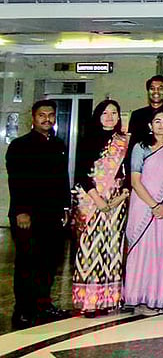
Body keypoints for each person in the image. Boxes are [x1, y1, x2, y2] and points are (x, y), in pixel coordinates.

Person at [6, 100, 72, 327]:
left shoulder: (58, 144)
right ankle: (23, 310)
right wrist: (21, 211)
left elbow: (63, 179)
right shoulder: (20, 145)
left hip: (52, 215)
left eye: (51, 115)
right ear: (33, 118)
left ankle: (43, 305)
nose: (47, 119)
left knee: (49, 262)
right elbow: (16, 181)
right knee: (27, 263)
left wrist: (65, 207)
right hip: (28, 216)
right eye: (42, 115)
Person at [70, 100, 131, 317]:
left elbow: (128, 172)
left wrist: (122, 194)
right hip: (92, 201)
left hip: (116, 203)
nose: (110, 117)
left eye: (114, 112)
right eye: (105, 113)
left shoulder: (124, 142)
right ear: (98, 116)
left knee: (112, 249)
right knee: (90, 250)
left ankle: (108, 300)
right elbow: (81, 174)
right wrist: (98, 200)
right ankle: (89, 301)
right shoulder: (88, 141)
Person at [125, 109, 163, 316]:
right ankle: (137, 298)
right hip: (143, 206)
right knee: (141, 251)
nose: (162, 125)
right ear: (150, 125)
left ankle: (157, 299)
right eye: (158, 121)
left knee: (160, 251)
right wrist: (154, 205)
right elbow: (135, 181)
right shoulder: (140, 147)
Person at [129, 76, 163, 147]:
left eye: (160, 89)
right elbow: (132, 142)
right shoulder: (137, 115)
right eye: (152, 88)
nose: (156, 92)